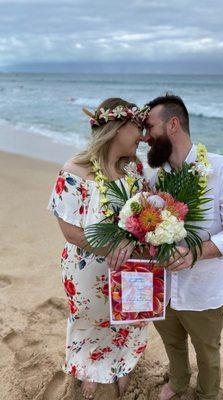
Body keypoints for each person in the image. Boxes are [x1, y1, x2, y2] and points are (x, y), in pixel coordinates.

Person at [143, 94, 223, 400]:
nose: (145, 137)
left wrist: (195, 252)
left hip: (203, 289)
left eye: (150, 128)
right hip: (163, 287)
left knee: (207, 351)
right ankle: (178, 382)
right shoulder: (154, 178)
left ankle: (206, 394)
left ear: (173, 124)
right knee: (172, 343)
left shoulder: (222, 169)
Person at [47, 98, 148, 400]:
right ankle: (90, 368)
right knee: (91, 318)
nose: (143, 135)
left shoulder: (136, 173)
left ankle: (123, 364)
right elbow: (70, 232)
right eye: (138, 127)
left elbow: (144, 222)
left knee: (131, 319)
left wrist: (132, 242)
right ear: (118, 127)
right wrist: (113, 246)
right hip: (88, 267)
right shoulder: (75, 169)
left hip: (132, 264)